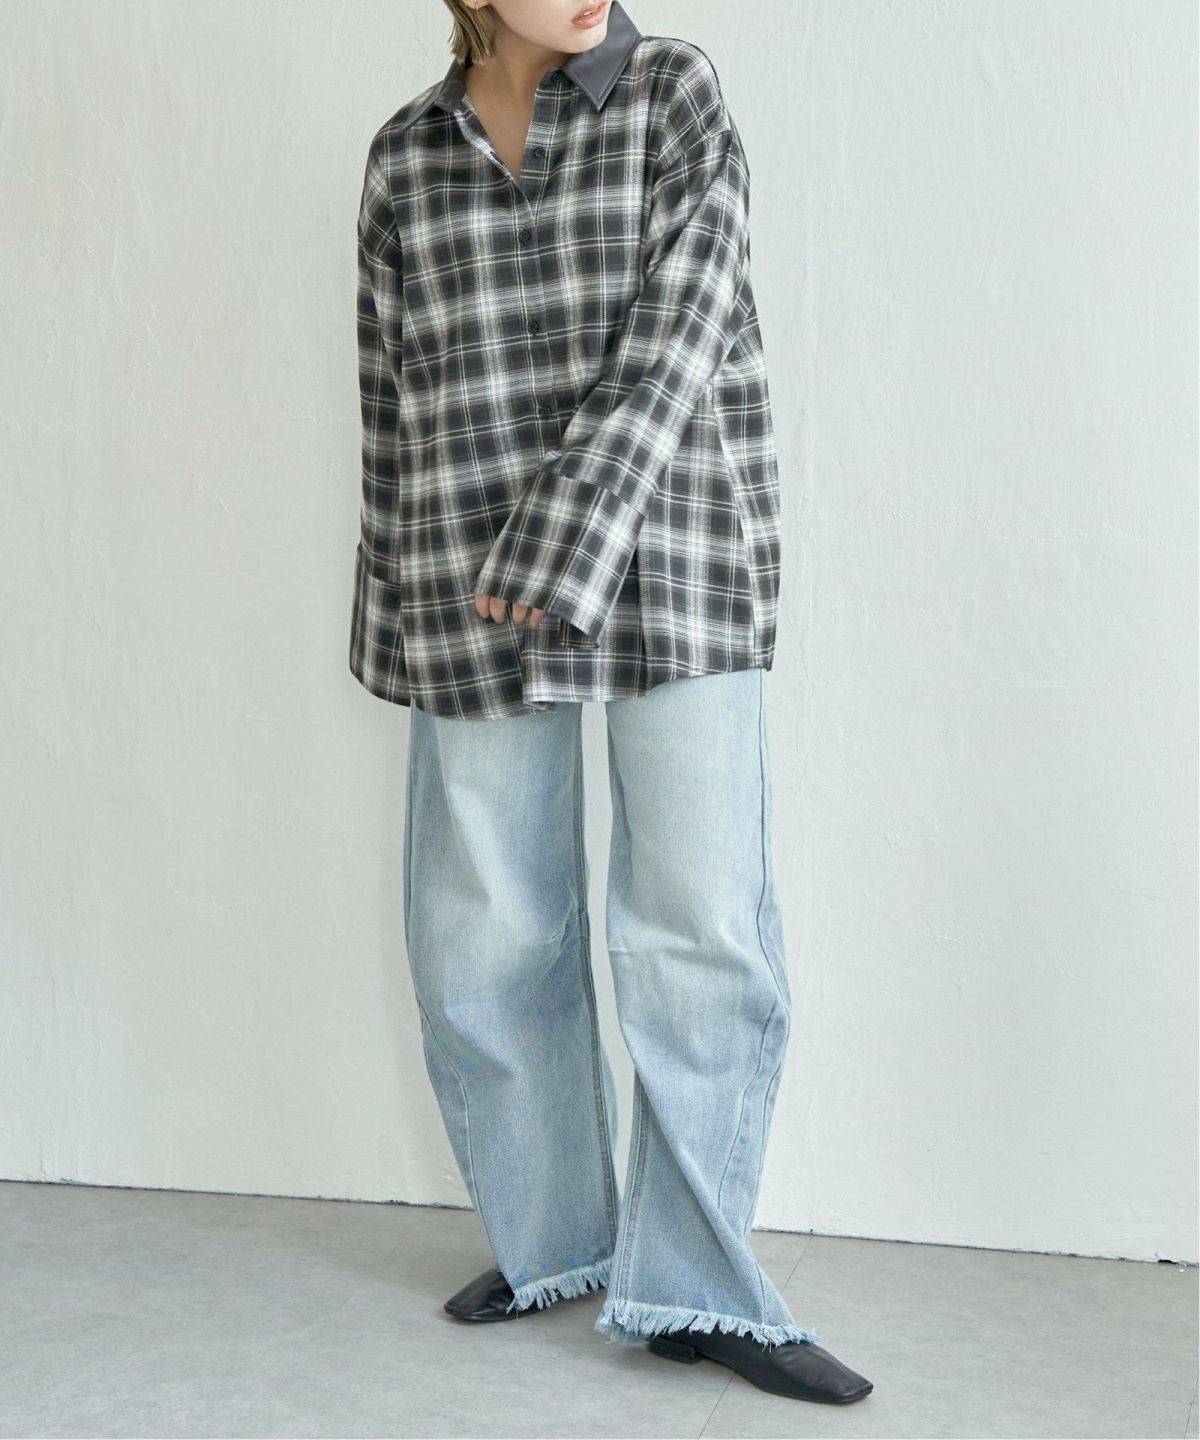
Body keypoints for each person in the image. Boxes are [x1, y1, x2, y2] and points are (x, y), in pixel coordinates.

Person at [350, 0, 874, 1406]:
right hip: (468, 573)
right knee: (484, 932)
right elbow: (394, 400)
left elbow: (682, 332)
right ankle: (555, 1244)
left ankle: (697, 1289)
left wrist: (568, 532)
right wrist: (397, 606)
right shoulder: (405, 156)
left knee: (700, 930)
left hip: (675, 550)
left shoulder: (672, 93)